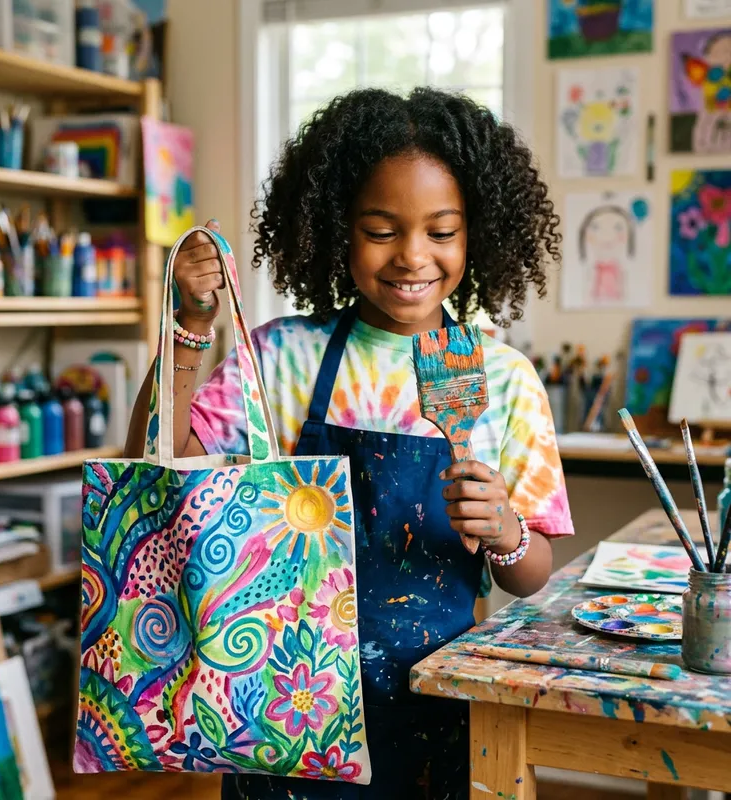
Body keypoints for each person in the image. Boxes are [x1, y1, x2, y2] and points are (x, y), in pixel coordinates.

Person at [126, 86, 574, 800]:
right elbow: (157, 464)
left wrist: (507, 532)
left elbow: (532, 573)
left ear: (475, 234)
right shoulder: (285, 356)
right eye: (381, 229)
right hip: (281, 706)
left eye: (441, 230)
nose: (412, 256)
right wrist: (189, 322)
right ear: (339, 229)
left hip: (434, 707)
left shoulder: (503, 377)